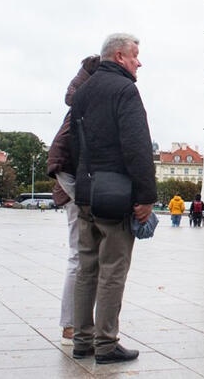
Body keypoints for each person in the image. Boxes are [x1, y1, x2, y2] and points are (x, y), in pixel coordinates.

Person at [70, 33, 156, 364]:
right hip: (115, 194)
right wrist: (146, 195)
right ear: (119, 56)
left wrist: (82, 181)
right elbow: (137, 146)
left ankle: (82, 339)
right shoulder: (125, 90)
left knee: (86, 267)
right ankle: (106, 342)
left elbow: (74, 143)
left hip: (87, 192)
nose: (139, 62)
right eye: (135, 55)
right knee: (113, 268)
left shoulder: (83, 91)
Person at [48, 54, 101, 346]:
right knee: (78, 257)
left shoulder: (82, 106)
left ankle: (77, 323)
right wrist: (79, 197)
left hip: (78, 190)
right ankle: (70, 325)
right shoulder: (80, 111)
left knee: (83, 258)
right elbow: (56, 157)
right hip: (75, 193)